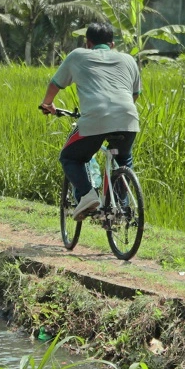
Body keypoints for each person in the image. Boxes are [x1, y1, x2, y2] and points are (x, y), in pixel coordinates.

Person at [40, 22, 141, 221]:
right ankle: (122, 209)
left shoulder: (78, 55)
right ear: (112, 44)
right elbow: (135, 94)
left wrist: (47, 104)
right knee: (123, 159)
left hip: (95, 119)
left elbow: (55, 84)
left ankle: (87, 195)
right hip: (128, 117)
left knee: (70, 157)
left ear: (88, 43)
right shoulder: (128, 60)